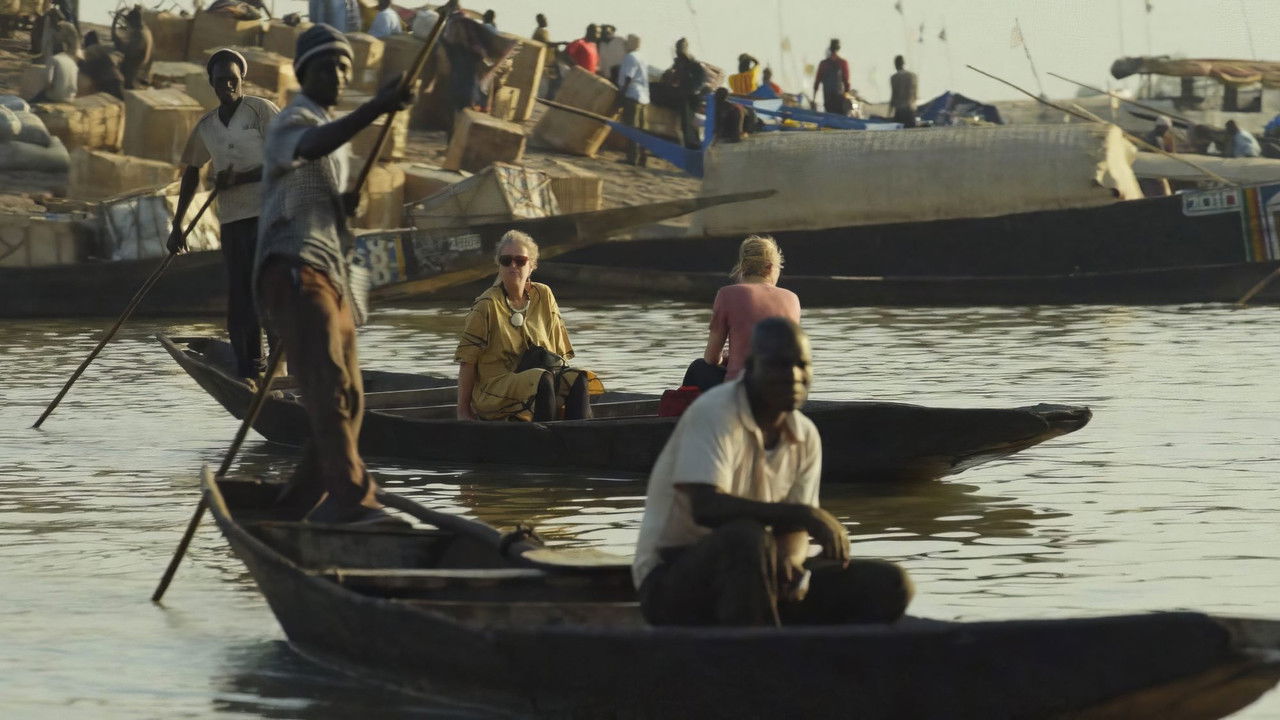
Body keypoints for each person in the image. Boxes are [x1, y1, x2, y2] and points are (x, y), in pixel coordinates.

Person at [635, 318, 913, 627]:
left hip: (752, 574)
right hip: (671, 581)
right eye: (779, 365)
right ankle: (762, 656)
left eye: (802, 365)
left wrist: (791, 564)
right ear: (751, 368)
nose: (793, 376)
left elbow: (792, 530)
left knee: (890, 584)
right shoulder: (714, 413)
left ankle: (801, 646)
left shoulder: (805, 435)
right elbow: (706, 507)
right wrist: (804, 514)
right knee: (746, 538)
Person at [255, 24, 413, 524]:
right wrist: (375, 108)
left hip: (332, 272)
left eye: (345, 67)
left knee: (350, 399)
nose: (338, 76)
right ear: (303, 73)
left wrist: (343, 204)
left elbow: (319, 174)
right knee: (324, 386)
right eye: (327, 67)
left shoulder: (330, 132)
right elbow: (311, 145)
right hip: (295, 268)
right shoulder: (292, 120)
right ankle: (351, 499)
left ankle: (299, 504)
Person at [168, 49, 282, 383]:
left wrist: (241, 178)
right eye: (222, 81)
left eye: (234, 79)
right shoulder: (207, 126)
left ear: (241, 79)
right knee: (240, 298)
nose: (229, 85)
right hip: (232, 220)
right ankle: (250, 369)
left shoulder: (261, 111)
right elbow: (192, 172)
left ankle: (280, 369)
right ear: (212, 84)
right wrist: (178, 227)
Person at [455, 231, 596, 423]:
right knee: (542, 379)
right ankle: (543, 440)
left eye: (520, 260)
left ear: (532, 266)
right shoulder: (486, 305)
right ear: (499, 265)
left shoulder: (544, 295)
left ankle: (580, 437)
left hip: (537, 382)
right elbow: (467, 361)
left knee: (578, 378)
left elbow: (559, 352)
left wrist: (564, 388)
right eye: (506, 260)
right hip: (495, 390)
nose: (513, 265)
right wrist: (463, 411)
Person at [685, 235, 799, 391]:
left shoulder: (727, 294)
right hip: (782, 390)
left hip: (742, 390)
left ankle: (685, 414)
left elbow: (711, 358)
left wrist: (725, 358)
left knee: (698, 367)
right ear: (770, 267)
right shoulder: (792, 298)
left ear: (743, 266)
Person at [617, 33, 648, 166]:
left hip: (632, 96)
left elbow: (628, 77)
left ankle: (631, 158)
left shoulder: (630, 57)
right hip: (644, 98)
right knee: (641, 130)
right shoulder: (641, 58)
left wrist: (621, 95)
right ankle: (642, 157)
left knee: (631, 128)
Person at [672, 37, 705, 150]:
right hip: (683, 95)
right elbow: (675, 77)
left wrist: (694, 90)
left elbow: (700, 78)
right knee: (686, 124)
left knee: (689, 124)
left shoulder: (691, 62)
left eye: (679, 47)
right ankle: (690, 146)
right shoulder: (679, 61)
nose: (677, 50)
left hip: (690, 97)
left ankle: (693, 147)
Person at [29, 32, 77, 103]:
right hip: (71, 96)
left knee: (36, 98)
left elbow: (48, 81)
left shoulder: (53, 59)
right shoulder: (72, 62)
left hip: (57, 96)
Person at [112, 5, 152, 90]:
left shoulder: (139, 34)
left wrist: (116, 39)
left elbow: (128, 51)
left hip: (133, 74)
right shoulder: (145, 30)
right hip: (139, 69)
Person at [79, 31, 124, 99]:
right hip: (118, 80)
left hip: (107, 83)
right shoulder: (101, 48)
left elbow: (88, 71)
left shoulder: (90, 51)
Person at [812, 38, 849, 115]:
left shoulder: (823, 64)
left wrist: (814, 99)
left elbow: (817, 83)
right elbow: (846, 83)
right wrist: (846, 98)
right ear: (838, 49)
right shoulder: (843, 63)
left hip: (827, 100)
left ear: (830, 49)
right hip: (839, 101)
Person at [888, 54, 917, 127]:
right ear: (904, 63)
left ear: (895, 65)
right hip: (910, 109)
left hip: (899, 110)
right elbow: (915, 95)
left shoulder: (894, 77)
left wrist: (889, 112)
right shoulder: (912, 76)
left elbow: (893, 96)